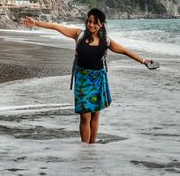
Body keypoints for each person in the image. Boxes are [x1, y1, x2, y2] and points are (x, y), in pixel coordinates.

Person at [20, 8, 153, 144]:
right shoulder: (79, 35)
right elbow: (56, 27)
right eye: (89, 21)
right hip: (82, 80)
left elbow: (125, 51)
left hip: (98, 79)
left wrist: (142, 61)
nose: (91, 25)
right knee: (84, 116)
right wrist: (35, 23)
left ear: (101, 24)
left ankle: (92, 148)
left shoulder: (106, 41)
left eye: (95, 22)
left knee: (95, 114)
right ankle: (85, 149)